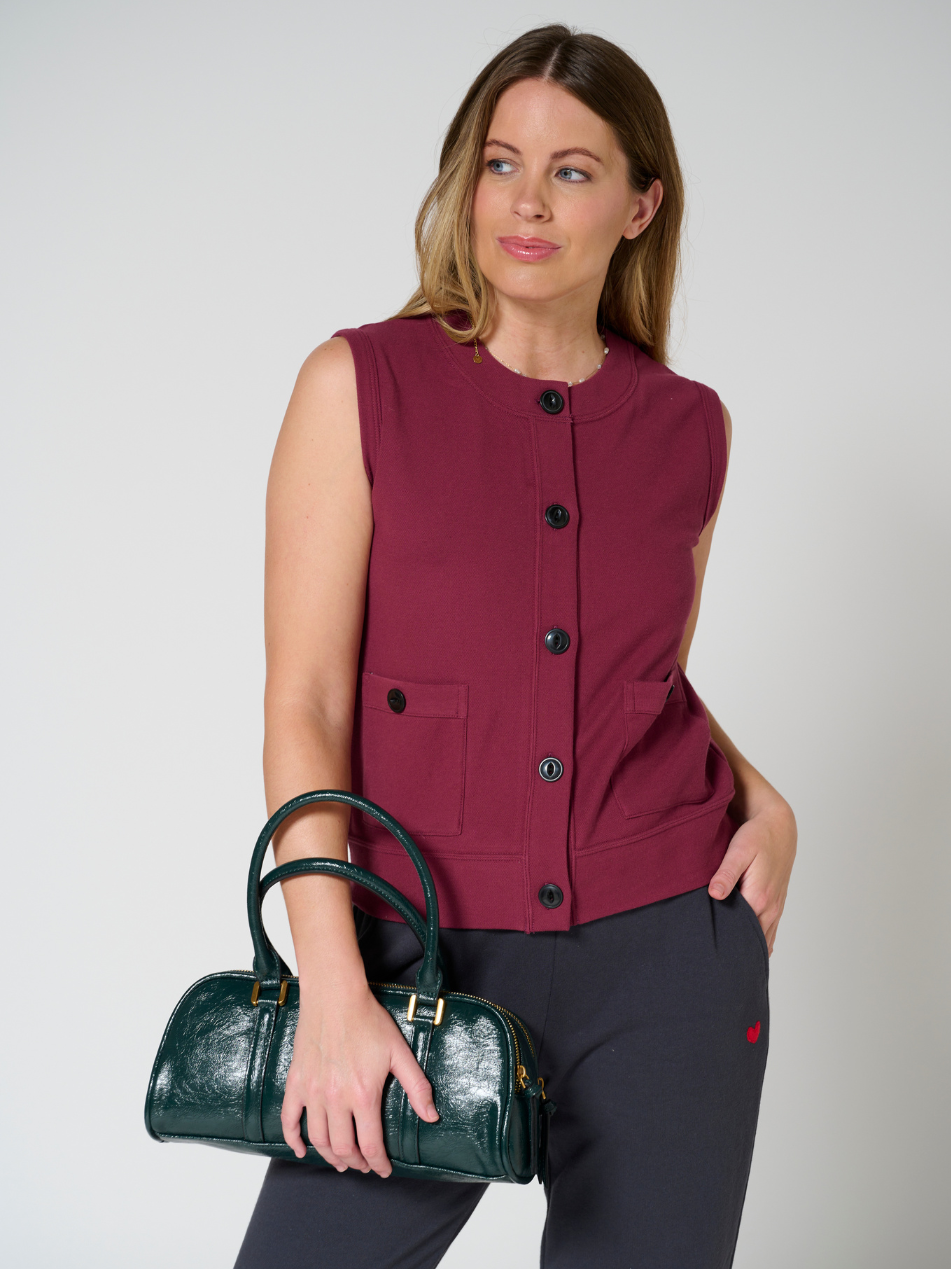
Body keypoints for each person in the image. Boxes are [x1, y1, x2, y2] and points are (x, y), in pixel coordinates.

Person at [234, 23, 797, 1269]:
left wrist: (759, 796)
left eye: (571, 171)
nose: (525, 202)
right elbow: (306, 699)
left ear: (641, 206)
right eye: (501, 164)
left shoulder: (688, 428)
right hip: (413, 952)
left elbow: (633, 675)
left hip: (668, 961)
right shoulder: (358, 385)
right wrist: (330, 981)